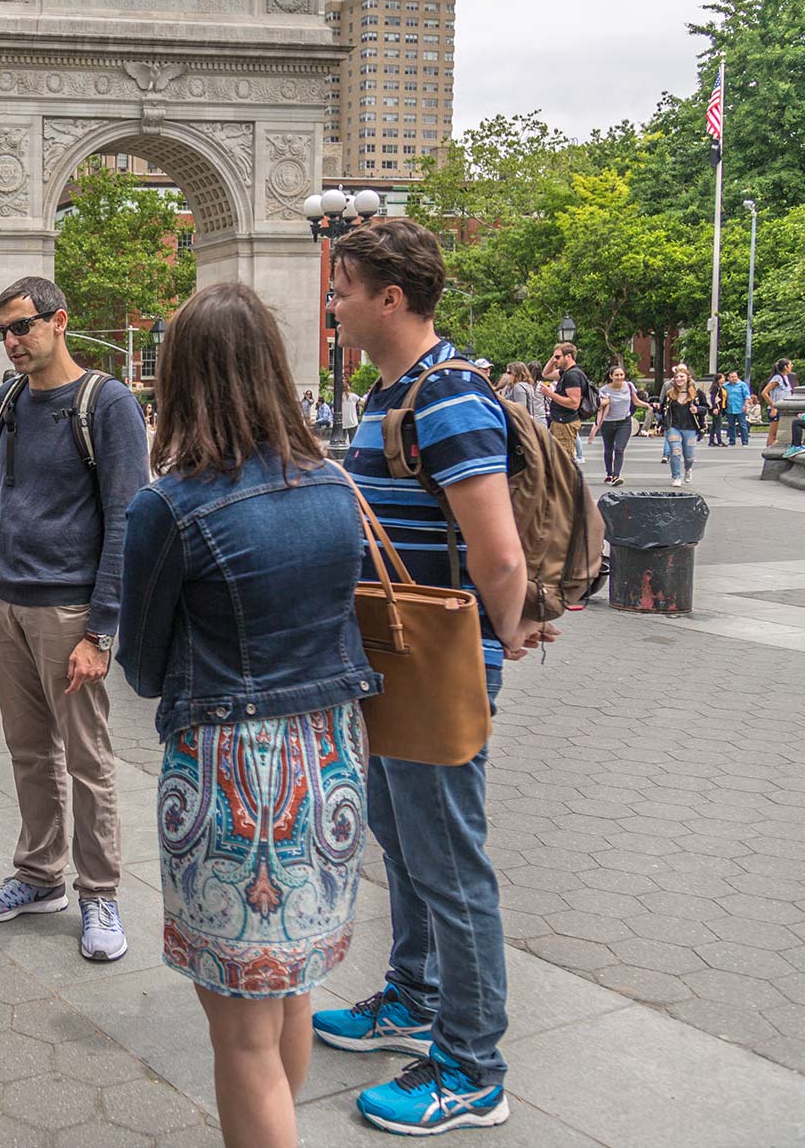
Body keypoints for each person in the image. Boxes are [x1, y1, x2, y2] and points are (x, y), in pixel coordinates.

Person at [119, 284, 375, 1148]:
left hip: (233, 767)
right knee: (289, 987)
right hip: (332, 754)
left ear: (181, 377)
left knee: (240, 1033)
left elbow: (145, 667)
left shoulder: (169, 506)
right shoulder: (335, 484)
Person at [319, 218, 546, 1137]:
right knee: (402, 837)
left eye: (341, 290)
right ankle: (413, 997)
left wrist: (506, 631)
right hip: (395, 659)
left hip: (440, 660)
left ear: (391, 299)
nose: (331, 306)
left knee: (451, 860)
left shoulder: (446, 395)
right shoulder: (390, 392)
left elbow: (497, 553)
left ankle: (473, 1064)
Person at [0, 275, 149, 963]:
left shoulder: (107, 403)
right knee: (30, 752)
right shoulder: (9, 401)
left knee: (89, 761)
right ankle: (40, 877)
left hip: (69, 611)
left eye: (22, 327)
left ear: (59, 321)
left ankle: (99, 892)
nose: (11, 342)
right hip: (7, 602)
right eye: (2, 331)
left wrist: (100, 631)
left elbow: (128, 518)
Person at [587, 366, 648, 486]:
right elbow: (599, 405)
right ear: (611, 376)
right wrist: (605, 401)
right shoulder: (604, 390)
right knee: (608, 450)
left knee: (619, 449)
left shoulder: (629, 386)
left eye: (621, 375)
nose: (619, 377)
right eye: (616, 375)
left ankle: (616, 475)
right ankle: (609, 474)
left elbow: (635, 401)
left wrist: (647, 405)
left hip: (624, 422)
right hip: (608, 423)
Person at [660, 365, 711, 487]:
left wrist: (697, 409)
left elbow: (706, 408)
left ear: (688, 378)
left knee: (689, 456)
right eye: (676, 377)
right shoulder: (670, 394)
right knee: (675, 452)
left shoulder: (697, 394)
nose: (679, 379)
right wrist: (661, 422)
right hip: (674, 426)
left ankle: (688, 469)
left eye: (682, 377)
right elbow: (664, 409)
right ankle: (676, 477)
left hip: (690, 427)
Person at [541, 342, 590, 461]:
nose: (555, 360)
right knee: (556, 458)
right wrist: (553, 359)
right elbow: (546, 374)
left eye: (558, 357)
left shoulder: (572, 375)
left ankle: (568, 480)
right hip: (559, 421)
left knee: (563, 459)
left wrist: (550, 394)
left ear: (568, 356)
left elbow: (574, 403)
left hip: (565, 422)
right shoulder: (567, 372)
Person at [764, 358, 798, 446]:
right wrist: (773, 406)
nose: (792, 366)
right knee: (773, 434)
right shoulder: (777, 378)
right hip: (776, 409)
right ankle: (769, 453)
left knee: (781, 435)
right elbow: (764, 393)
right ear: (785, 367)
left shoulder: (786, 377)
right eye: (790, 365)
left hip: (784, 409)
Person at [718, 369, 752, 447]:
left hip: (740, 407)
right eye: (732, 377)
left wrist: (745, 405)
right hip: (729, 408)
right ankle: (732, 441)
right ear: (728, 378)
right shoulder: (725, 386)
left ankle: (745, 441)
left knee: (742, 425)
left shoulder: (742, 385)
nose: (734, 378)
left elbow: (747, 396)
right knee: (731, 426)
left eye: (735, 377)